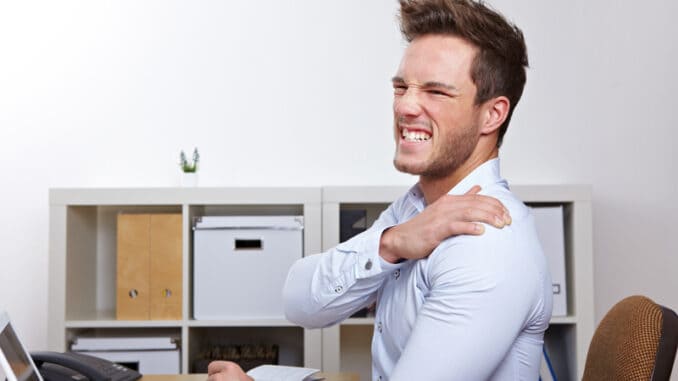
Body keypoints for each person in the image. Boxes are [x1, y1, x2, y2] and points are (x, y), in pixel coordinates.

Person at [208, 0, 551, 380]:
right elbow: (300, 302)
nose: (405, 106)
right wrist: (391, 244)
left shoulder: (487, 246)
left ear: (492, 114)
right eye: (401, 87)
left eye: (435, 92)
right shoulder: (418, 210)